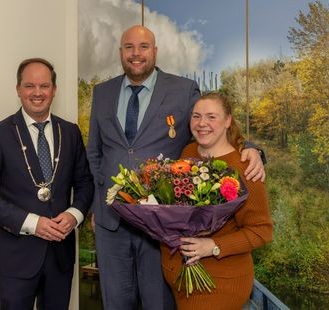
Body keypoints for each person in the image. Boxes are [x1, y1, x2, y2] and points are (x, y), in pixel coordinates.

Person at [87, 25, 266, 310]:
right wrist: (98, 203)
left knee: (160, 304)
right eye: (129, 47)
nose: (136, 54)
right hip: (112, 225)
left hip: (162, 229)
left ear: (155, 51)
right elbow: (94, 153)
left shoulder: (183, 91)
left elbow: (211, 123)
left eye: (143, 47)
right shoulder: (103, 92)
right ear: (121, 52)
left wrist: (253, 148)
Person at [0, 58, 94, 309]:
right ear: (18, 89)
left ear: (54, 90)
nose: (37, 93)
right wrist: (33, 224)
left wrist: (74, 214)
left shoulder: (70, 133)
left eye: (44, 86)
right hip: (13, 260)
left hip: (60, 258)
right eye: (29, 86)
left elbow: (84, 182)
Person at [160, 92, 273, 309]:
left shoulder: (245, 168)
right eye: (196, 116)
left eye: (212, 117)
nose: (202, 123)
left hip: (219, 284)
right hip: (181, 280)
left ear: (228, 121)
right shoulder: (188, 152)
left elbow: (262, 231)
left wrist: (213, 246)